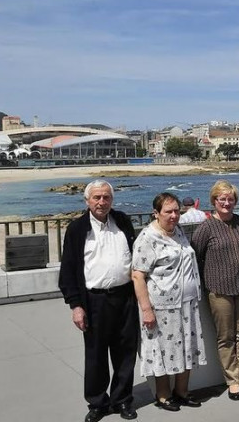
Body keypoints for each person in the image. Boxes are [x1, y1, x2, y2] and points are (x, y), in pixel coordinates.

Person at [58, 180, 139, 422]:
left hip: (125, 298)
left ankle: (122, 400)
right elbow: (69, 270)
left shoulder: (122, 221)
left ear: (112, 200)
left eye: (106, 197)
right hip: (94, 301)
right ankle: (97, 402)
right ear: (87, 201)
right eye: (97, 198)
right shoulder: (77, 229)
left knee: (125, 353)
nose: (102, 202)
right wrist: (76, 305)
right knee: (96, 355)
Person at [131, 192, 206, 412]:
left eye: (176, 211)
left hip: (186, 304)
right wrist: (146, 310)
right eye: (168, 212)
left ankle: (181, 391)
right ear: (156, 213)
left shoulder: (178, 232)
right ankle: (163, 395)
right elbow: (137, 276)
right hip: (162, 307)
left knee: (187, 348)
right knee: (163, 351)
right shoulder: (147, 238)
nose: (174, 215)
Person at [191, 180, 239, 400]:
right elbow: (196, 255)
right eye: (222, 199)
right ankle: (232, 380)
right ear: (214, 201)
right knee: (225, 337)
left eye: (230, 199)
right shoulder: (206, 228)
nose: (227, 203)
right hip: (219, 290)